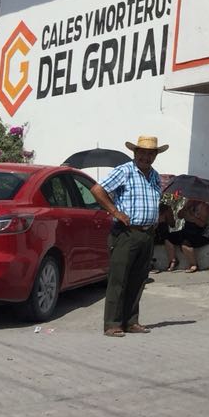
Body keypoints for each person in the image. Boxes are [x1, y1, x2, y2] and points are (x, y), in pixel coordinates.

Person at [91, 135, 168, 337]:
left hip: (147, 233)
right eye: (143, 153)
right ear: (135, 153)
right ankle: (112, 324)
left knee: (138, 279)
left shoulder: (154, 175)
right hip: (126, 233)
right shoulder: (125, 170)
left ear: (155, 155)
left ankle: (131, 321)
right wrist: (116, 212)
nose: (146, 157)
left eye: (151, 153)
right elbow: (97, 190)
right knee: (119, 279)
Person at [165, 199, 209, 273]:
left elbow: (202, 224)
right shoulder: (189, 204)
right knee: (168, 238)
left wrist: (192, 217)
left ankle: (193, 264)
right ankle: (173, 260)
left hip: (199, 233)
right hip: (187, 231)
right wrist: (186, 208)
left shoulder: (205, 207)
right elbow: (179, 216)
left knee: (185, 243)